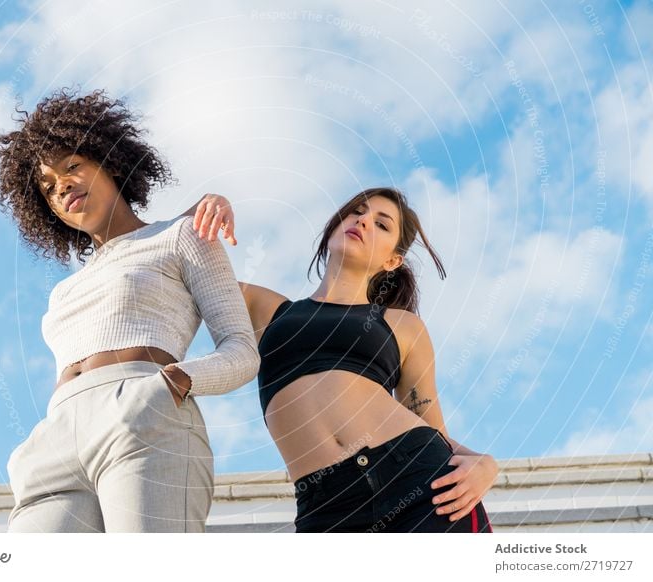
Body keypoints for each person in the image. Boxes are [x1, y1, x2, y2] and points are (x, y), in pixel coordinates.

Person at [0, 88, 260, 532]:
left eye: (73, 166)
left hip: (142, 412)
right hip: (56, 438)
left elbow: (242, 350)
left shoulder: (183, 235)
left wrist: (174, 383)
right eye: (49, 187)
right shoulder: (64, 292)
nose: (63, 186)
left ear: (108, 161)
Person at [184, 189, 498, 532]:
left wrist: (484, 464)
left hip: (419, 484)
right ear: (334, 227)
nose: (363, 220)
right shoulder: (269, 309)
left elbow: (432, 425)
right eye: (357, 212)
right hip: (327, 506)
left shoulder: (402, 326)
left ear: (392, 261)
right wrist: (207, 205)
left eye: (381, 224)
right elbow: (180, 262)